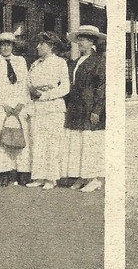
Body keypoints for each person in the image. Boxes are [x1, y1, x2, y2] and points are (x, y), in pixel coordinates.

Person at [63, 26, 105, 192]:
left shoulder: (98, 60)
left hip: (89, 106)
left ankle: (93, 178)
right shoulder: (75, 62)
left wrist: (97, 109)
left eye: (83, 39)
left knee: (89, 143)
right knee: (77, 143)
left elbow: (101, 86)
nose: (80, 43)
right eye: (79, 39)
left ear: (91, 41)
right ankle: (82, 176)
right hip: (75, 106)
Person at [26, 31, 70, 190]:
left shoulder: (60, 63)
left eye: (41, 44)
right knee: (37, 141)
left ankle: (51, 178)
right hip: (37, 108)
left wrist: (46, 95)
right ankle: (38, 176)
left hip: (53, 107)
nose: (38, 47)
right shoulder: (35, 64)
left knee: (52, 142)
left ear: (51, 46)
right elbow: (29, 83)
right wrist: (33, 93)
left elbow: (65, 87)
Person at [0, 32, 31, 186]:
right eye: (3, 44)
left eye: (9, 44)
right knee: (2, 137)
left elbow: (25, 84)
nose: (6, 47)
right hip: (2, 105)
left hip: (19, 105)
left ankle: (21, 172)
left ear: (13, 46)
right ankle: (4, 172)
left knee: (20, 134)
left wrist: (20, 103)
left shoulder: (20, 61)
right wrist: (4, 104)